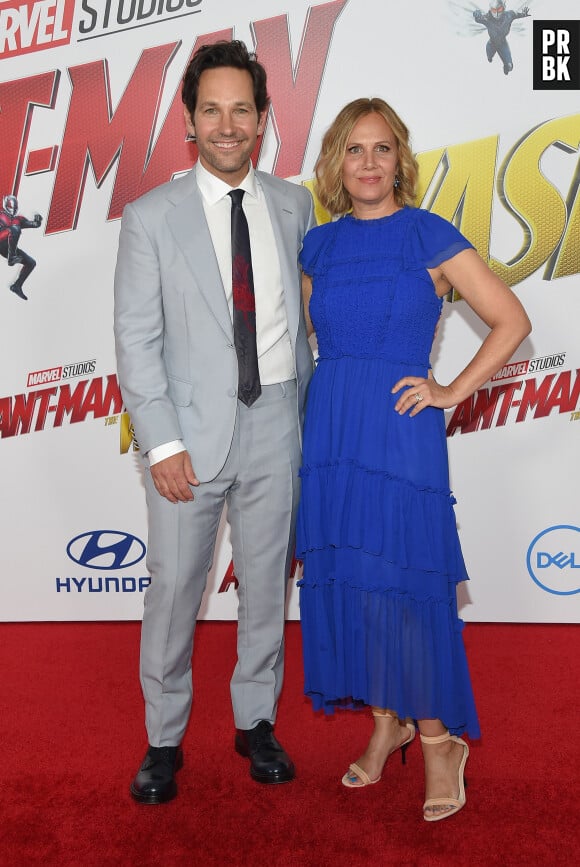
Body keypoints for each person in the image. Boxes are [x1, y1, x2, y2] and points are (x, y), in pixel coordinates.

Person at [297, 98, 531, 821]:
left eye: (382, 148)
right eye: (354, 149)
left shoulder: (427, 234)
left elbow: (512, 319)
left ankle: (438, 740)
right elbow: (314, 340)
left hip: (401, 434)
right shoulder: (319, 247)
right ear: (337, 161)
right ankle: (385, 719)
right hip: (334, 432)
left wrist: (451, 389)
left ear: (401, 159)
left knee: (408, 584)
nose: (368, 163)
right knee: (355, 583)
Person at [114, 40, 315, 804]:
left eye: (242, 109)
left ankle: (254, 719)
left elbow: (300, 317)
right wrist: (160, 441)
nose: (227, 124)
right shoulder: (149, 217)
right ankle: (163, 737)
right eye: (211, 110)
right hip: (187, 439)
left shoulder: (294, 203)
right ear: (189, 121)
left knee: (266, 585)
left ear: (263, 118)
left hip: (277, 424)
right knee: (174, 589)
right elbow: (136, 339)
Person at [0, 195, 42, 300]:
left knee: (31, 263)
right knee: (14, 229)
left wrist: (38, 220)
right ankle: (12, 257)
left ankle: (17, 286)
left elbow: (34, 224)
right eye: (10, 208)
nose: (12, 211)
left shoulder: (18, 219)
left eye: (14, 209)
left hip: (8, 249)